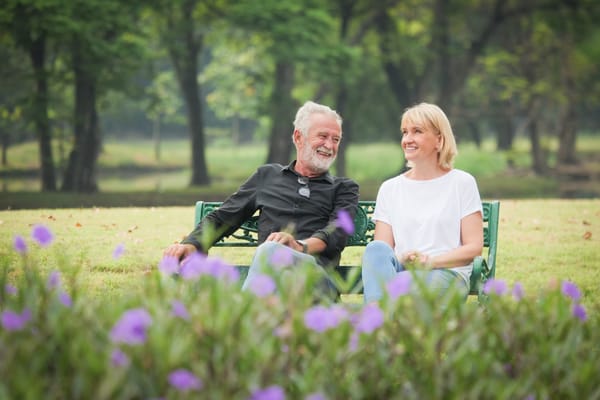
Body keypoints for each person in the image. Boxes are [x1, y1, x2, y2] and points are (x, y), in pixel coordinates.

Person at [164, 100, 359, 297]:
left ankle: (246, 314)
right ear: (299, 137)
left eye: (336, 139)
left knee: (273, 251)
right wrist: (191, 244)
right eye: (323, 136)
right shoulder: (267, 176)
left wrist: (299, 246)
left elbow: (337, 232)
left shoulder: (344, 188)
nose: (329, 145)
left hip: (316, 280)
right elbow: (224, 217)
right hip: (272, 283)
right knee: (273, 257)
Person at [361, 102, 483, 303]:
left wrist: (430, 262)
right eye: (404, 132)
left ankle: (375, 325)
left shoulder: (462, 183)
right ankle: (379, 321)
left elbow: (474, 248)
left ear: (439, 140)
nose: (407, 139)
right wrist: (403, 259)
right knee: (375, 249)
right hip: (403, 272)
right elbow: (384, 250)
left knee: (400, 288)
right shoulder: (390, 188)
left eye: (416, 131)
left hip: (446, 272)